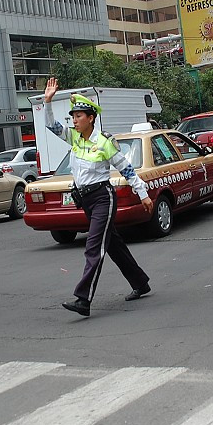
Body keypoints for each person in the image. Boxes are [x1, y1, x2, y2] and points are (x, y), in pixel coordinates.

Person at [43, 77, 154, 317]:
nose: (74, 120)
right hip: (86, 200)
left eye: (79, 116)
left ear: (91, 118)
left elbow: (126, 169)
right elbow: (51, 126)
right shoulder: (74, 137)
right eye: (73, 117)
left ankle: (83, 299)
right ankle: (140, 283)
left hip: (103, 198)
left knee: (94, 247)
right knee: (113, 245)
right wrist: (47, 101)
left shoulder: (104, 142)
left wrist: (143, 194)